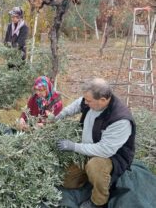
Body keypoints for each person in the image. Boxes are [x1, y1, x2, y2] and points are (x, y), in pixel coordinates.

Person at [55, 78, 136, 208]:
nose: (85, 103)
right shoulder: (92, 102)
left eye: (89, 101)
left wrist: (73, 146)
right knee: (67, 181)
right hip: (88, 147)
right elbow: (77, 104)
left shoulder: (120, 120)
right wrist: (58, 116)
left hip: (111, 156)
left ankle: (98, 201)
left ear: (103, 100)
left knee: (95, 167)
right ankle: (89, 177)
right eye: (85, 99)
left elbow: (105, 150)